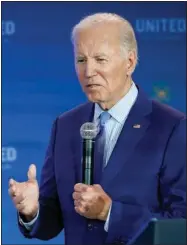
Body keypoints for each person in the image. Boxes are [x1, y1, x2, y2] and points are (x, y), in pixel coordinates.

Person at [8, 13, 186, 245]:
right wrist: (32, 211)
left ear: (129, 62)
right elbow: (52, 220)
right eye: (81, 60)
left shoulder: (171, 127)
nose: (89, 71)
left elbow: (181, 222)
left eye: (100, 59)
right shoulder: (65, 125)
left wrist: (110, 212)